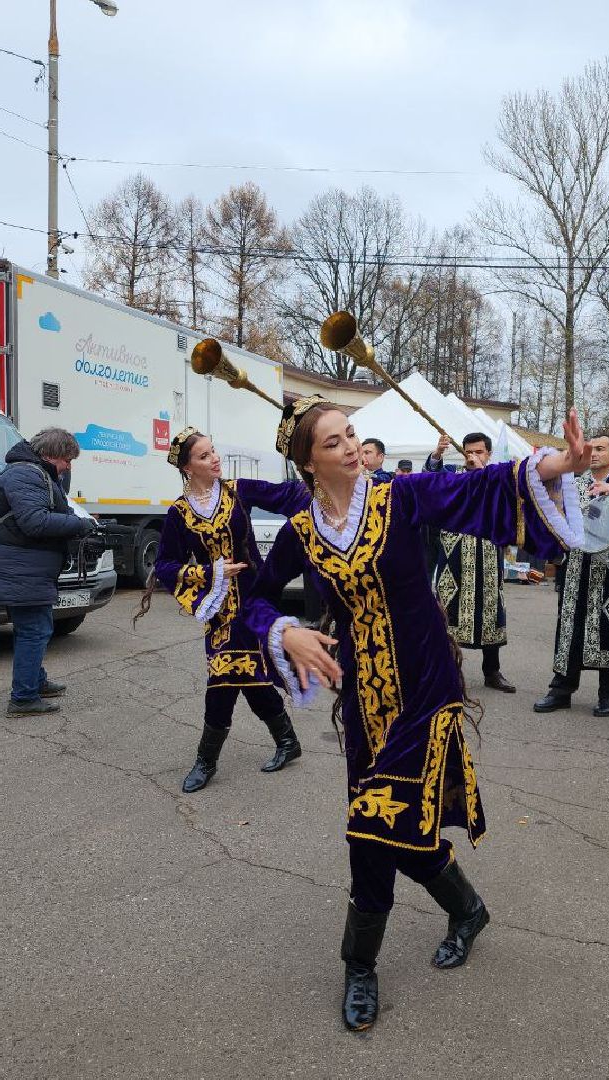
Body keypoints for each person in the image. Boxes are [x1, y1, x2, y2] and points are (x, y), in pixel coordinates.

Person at [244, 396, 589, 1032]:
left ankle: (359, 965)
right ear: (309, 464)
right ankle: (468, 908)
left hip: (425, 689)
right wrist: (285, 629)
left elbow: (482, 487)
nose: (350, 447)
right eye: (333, 443)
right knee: (398, 823)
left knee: (369, 826)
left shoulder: (401, 496)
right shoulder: (300, 531)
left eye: (351, 434)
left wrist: (558, 463)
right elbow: (255, 602)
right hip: (363, 699)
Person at [140, 428, 310, 792]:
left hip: (253, 599)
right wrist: (208, 571)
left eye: (213, 451)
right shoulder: (180, 513)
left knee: (223, 674)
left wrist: (322, 479)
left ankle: (206, 761)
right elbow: (166, 564)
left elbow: (287, 494)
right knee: (244, 673)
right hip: (217, 607)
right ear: (187, 467)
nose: (214, 458)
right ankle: (286, 740)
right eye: (204, 456)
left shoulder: (238, 490)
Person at [0, 428, 99, 717]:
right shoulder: (25, 474)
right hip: (19, 569)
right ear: (50, 454)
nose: (69, 466)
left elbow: (45, 512)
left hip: (24, 568)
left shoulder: (33, 473)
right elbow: (34, 521)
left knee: (32, 628)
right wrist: (81, 525)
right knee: (35, 629)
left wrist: (74, 520)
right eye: (67, 459)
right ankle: (23, 698)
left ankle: (35, 682)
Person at [534, 433, 609, 717]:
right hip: (577, 569)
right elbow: (554, 516)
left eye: (601, 449)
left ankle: (608, 695)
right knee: (570, 629)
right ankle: (561, 689)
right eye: (592, 449)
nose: (596, 454)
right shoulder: (573, 484)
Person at [424, 431, 516, 693]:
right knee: (448, 613)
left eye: (478, 452)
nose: (473, 457)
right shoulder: (453, 477)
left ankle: (492, 671)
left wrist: (482, 472)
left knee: (490, 609)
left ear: (488, 453)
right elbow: (429, 485)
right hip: (454, 558)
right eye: (469, 452)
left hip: (486, 556)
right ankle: (447, 671)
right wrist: (437, 456)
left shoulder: (496, 480)